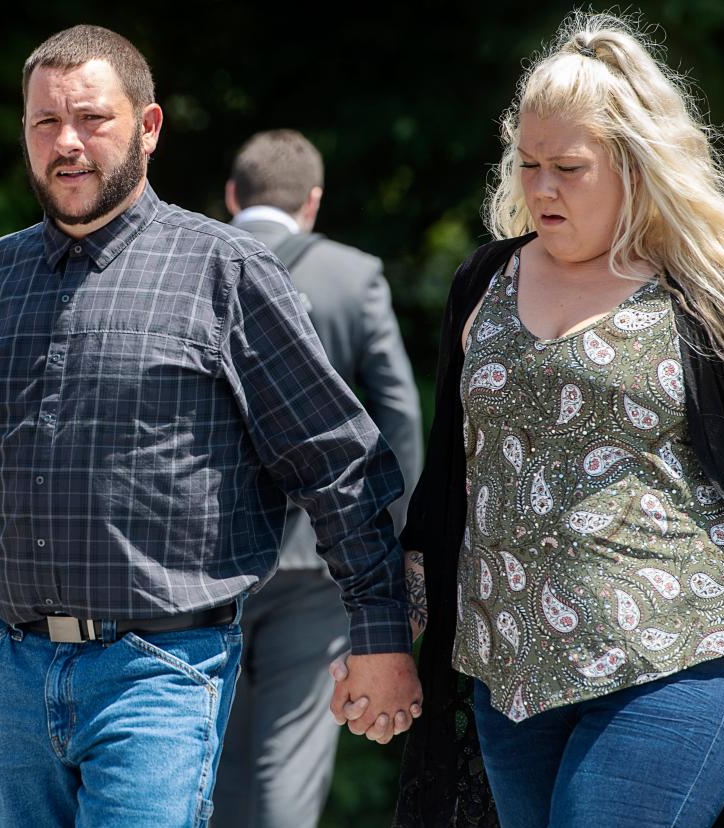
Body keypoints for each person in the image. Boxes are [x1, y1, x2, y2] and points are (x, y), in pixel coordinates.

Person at [0, 25, 421, 828]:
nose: (67, 143)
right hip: (13, 671)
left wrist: (380, 634)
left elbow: (337, 463)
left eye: (92, 119)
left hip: (163, 671)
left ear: (148, 128)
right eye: (46, 123)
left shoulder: (227, 274)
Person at [333, 11, 724, 827]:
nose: (540, 188)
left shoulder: (716, 292)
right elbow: (448, 493)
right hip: (509, 674)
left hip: (675, 659)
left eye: (569, 167)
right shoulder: (483, 283)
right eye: (527, 164)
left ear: (637, 166)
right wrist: (390, 640)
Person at [213, 129, 424, 828]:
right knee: (289, 759)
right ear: (313, 202)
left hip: (205, 560)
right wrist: (391, 547)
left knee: (203, 750)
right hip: (319, 561)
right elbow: (397, 414)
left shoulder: (189, 262)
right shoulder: (350, 274)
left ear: (232, 197)